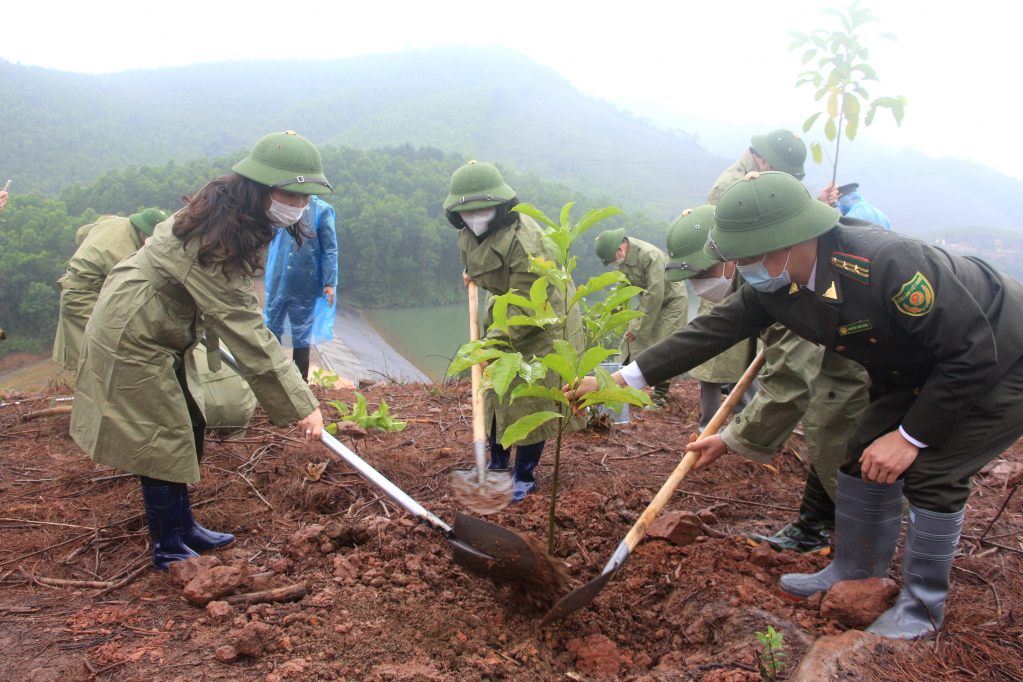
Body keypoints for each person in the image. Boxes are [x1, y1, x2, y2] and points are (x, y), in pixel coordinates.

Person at [570, 171, 1023, 639]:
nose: (742, 267)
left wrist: (910, 437)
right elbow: (711, 332)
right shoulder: (778, 286)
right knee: (860, 451)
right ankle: (854, 572)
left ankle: (922, 609)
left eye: (747, 256)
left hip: (1000, 358)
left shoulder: (889, 264)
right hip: (915, 367)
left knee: (933, 469)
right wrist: (617, 378)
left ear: (790, 240)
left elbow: (971, 352)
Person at [70, 130, 329, 572]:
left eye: (306, 198)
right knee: (161, 434)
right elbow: (245, 326)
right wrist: (301, 403)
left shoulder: (236, 211)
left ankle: (184, 526)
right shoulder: (215, 236)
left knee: (188, 421)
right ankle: (167, 544)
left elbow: (233, 308)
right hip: (134, 330)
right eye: (291, 195)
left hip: (161, 325)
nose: (300, 207)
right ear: (260, 187)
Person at [708, 132, 870, 554]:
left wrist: (731, 440)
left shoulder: (847, 270)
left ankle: (852, 542)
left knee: (835, 412)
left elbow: (792, 381)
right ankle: (820, 527)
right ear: (762, 164)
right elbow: (714, 328)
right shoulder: (736, 194)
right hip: (790, 300)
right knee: (831, 412)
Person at [444, 160, 584, 503]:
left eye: (484, 209)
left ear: (501, 205)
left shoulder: (525, 242)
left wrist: (488, 347)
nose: (476, 216)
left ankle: (523, 474)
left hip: (542, 319)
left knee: (529, 396)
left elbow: (527, 304)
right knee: (495, 393)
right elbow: (478, 259)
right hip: (504, 311)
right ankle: (496, 463)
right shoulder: (468, 229)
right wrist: (471, 274)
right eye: (468, 211)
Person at [52, 208, 258, 434]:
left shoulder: (125, 229)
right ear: (144, 235)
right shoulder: (113, 249)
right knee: (103, 364)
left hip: (116, 301)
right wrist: (110, 331)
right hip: (86, 305)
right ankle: (102, 423)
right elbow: (77, 295)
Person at [663, 207, 756, 429]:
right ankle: (712, 426)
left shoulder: (767, 284)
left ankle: (749, 427)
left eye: (703, 273)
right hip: (716, 317)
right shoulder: (735, 287)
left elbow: (790, 371)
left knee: (746, 371)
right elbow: (700, 336)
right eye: (692, 278)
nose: (699, 284)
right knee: (710, 373)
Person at [593, 228, 688, 409]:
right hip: (649, 303)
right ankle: (621, 389)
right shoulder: (625, 260)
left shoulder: (650, 255)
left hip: (671, 303)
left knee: (663, 346)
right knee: (629, 343)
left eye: (612, 259)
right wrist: (614, 314)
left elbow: (655, 292)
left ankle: (660, 397)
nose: (614, 263)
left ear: (620, 249)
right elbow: (622, 287)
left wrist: (638, 327)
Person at [263, 196, 338, 382]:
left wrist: (329, 283)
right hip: (277, 278)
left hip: (305, 282)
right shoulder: (279, 204)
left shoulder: (321, 210)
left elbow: (329, 248)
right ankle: (273, 380)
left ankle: (300, 383)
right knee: (272, 330)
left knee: (301, 336)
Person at [709, 129, 838, 207]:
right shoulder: (730, 189)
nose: (786, 180)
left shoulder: (767, 180)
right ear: (765, 160)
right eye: (784, 173)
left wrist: (820, 204)